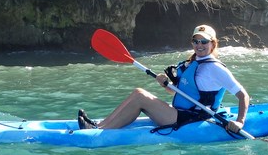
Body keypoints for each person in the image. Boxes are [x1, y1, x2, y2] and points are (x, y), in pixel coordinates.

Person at [78, 24, 249, 134]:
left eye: (204, 42)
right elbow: (177, 91)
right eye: (196, 41)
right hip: (182, 112)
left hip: (193, 118)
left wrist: (240, 122)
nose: (200, 45)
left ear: (213, 44)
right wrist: (164, 83)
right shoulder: (191, 63)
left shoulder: (216, 68)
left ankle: (98, 132)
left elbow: (243, 95)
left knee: (140, 97)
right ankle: (99, 124)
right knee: (138, 92)